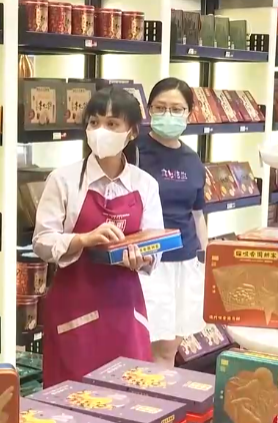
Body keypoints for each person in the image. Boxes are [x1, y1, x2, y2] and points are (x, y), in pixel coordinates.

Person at [32, 87, 164, 386]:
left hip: (126, 309)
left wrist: (141, 258)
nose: (101, 130)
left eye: (112, 124)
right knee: (72, 397)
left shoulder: (145, 184)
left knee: (129, 395)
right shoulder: (63, 180)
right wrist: (83, 239)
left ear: (131, 132)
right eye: (94, 122)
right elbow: (41, 241)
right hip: (73, 310)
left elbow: (155, 246)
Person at [135, 77, 209, 367]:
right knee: (149, 347)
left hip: (185, 263)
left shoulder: (192, 159)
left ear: (189, 113)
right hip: (149, 264)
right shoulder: (135, 152)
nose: (168, 114)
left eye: (177, 109)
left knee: (170, 349)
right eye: (160, 107)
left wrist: (206, 260)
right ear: (149, 109)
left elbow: (197, 214)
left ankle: (163, 396)